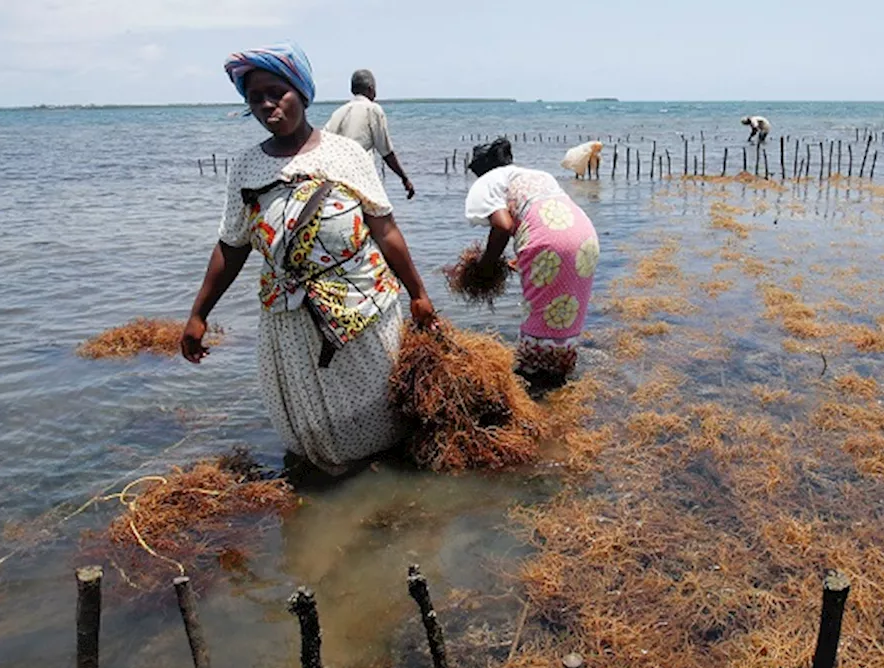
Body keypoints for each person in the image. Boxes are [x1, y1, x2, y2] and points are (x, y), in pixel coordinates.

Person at [180, 43, 436, 473]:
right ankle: (328, 485)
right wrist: (198, 314)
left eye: (276, 92)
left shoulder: (346, 154)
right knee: (312, 429)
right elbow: (233, 244)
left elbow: (385, 229)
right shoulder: (246, 167)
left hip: (364, 309)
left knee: (379, 414)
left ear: (301, 91)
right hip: (290, 320)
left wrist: (419, 294)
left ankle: (377, 498)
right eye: (255, 97)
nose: (266, 105)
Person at [464, 138, 599, 389]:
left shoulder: (487, 182)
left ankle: (535, 386)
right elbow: (540, 213)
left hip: (548, 242)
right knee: (565, 313)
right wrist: (524, 257)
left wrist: (486, 265)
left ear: (480, 171)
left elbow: (503, 226)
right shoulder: (534, 175)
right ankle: (560, 381)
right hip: (585, 236)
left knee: (537, 323)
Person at [324, 69, 415, 199]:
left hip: (336, 179)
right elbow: (386, 152)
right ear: (371, 88)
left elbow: (323, 143)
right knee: (382, 213)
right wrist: (404, 178)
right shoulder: (372, 109)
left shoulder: (338, 112)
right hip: (361, 178)